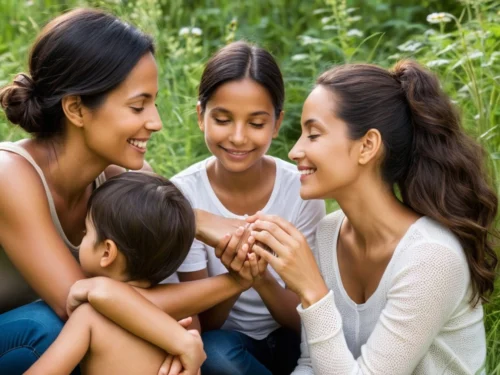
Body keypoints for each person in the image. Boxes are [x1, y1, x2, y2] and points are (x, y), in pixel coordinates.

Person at [0, 9, 261, 374]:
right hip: (24, 340)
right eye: (138, 106)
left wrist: (189, 324)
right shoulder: (10, 177)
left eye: (152, 103)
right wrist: (199, 224)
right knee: (50, 328)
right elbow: (82, 303)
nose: (155, 121)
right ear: (76, 108)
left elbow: (171, 311)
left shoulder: (124, 180)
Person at [244, 60, 498, 374]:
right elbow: (311, 364)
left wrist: (312, 290)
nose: (295, 151)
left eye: (313, 135)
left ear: (367, 146)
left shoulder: (431, 256)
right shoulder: (328, 232)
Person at [166, 41, 325, 375]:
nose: (238, 138)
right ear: (200, 115)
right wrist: (236, 277)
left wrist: (261, 278)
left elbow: (308, 317)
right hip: (228, 341)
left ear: (277, 123)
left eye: (256, 124)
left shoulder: (302, 189)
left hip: (291, 335)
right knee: (216, 353)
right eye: (223, 119)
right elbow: (203, 323)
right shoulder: (183, 194)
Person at [25, 171, 206, 375]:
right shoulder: (179, 319)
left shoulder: (90, 315)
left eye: (87, 231)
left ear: (107, 252)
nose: (83, 236)